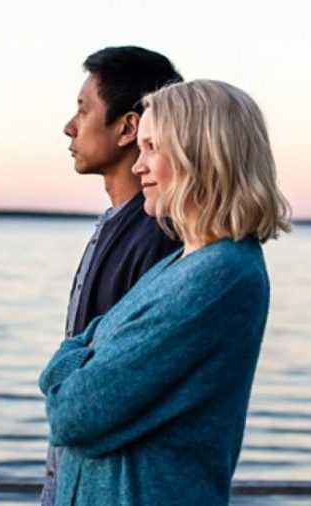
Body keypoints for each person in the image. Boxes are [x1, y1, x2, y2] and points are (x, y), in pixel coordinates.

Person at [39, 79, 291, 505]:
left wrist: (70, 364)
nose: (138, 166)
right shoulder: (177, 265)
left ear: (203, 154)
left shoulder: (219, 276)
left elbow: (73, 415)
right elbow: (81, 352)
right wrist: (79, 359)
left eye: (153, 147)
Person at [40, 46, 183, 505]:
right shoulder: (118, 223)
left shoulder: (158, 235)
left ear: (127, 128)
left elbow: (119, 387)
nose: (70, 126)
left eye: (84, 110)